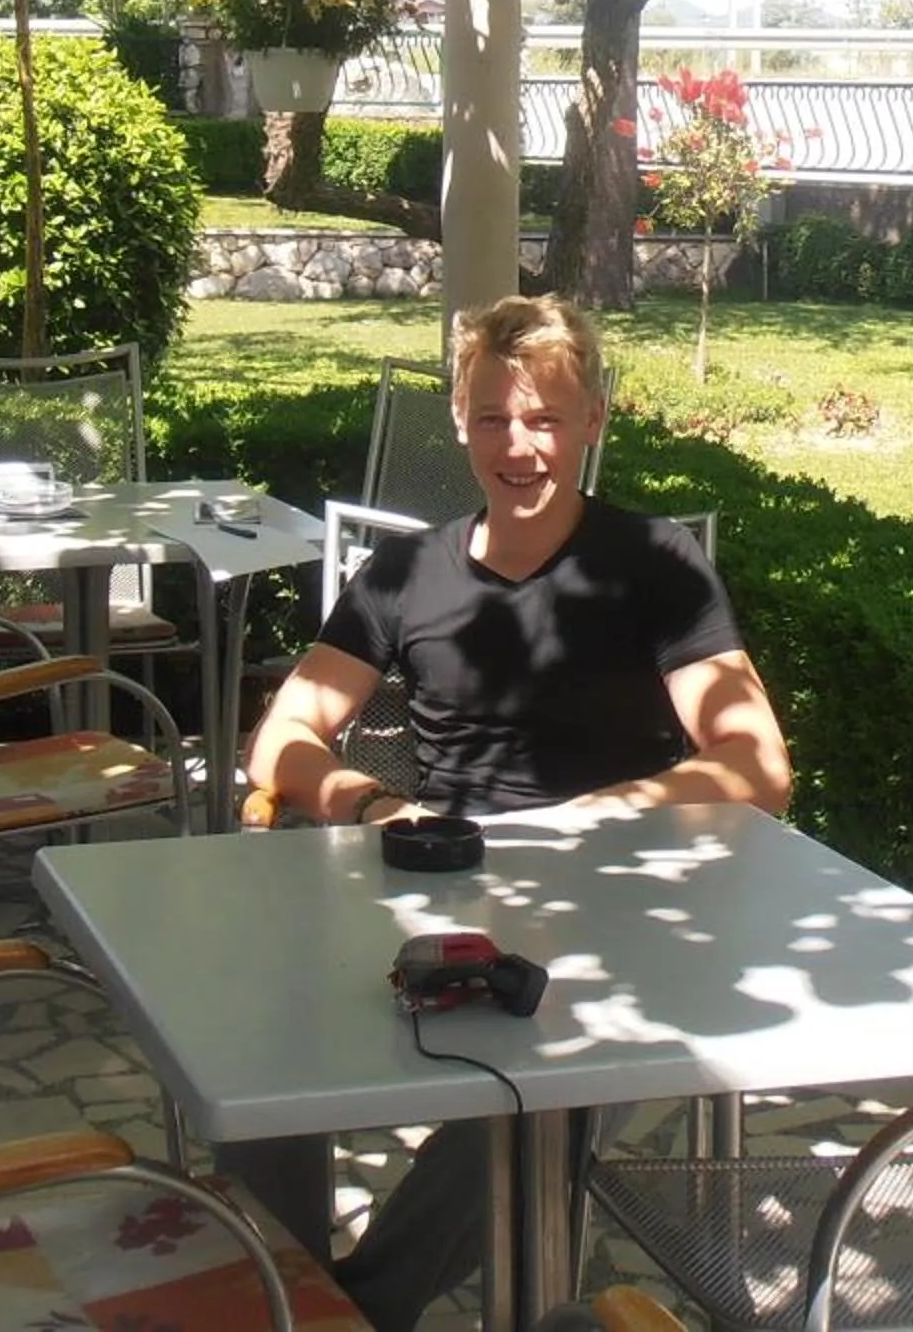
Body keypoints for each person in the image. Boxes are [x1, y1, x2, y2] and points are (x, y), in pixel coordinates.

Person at [225, 294, 794, 1331]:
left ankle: (359, 1309)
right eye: (493, 418)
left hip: (624, 907)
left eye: (544, 420)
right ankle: (283, 1284)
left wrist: (596, 815)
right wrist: (370, 803)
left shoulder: (654, 565)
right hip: (445, 888)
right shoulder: (406, 574)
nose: (518, 447)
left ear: (592, 424)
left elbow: (757, 765)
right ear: (459, 420)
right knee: (252, 1044)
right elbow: (282, 739)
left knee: (541, 1096)